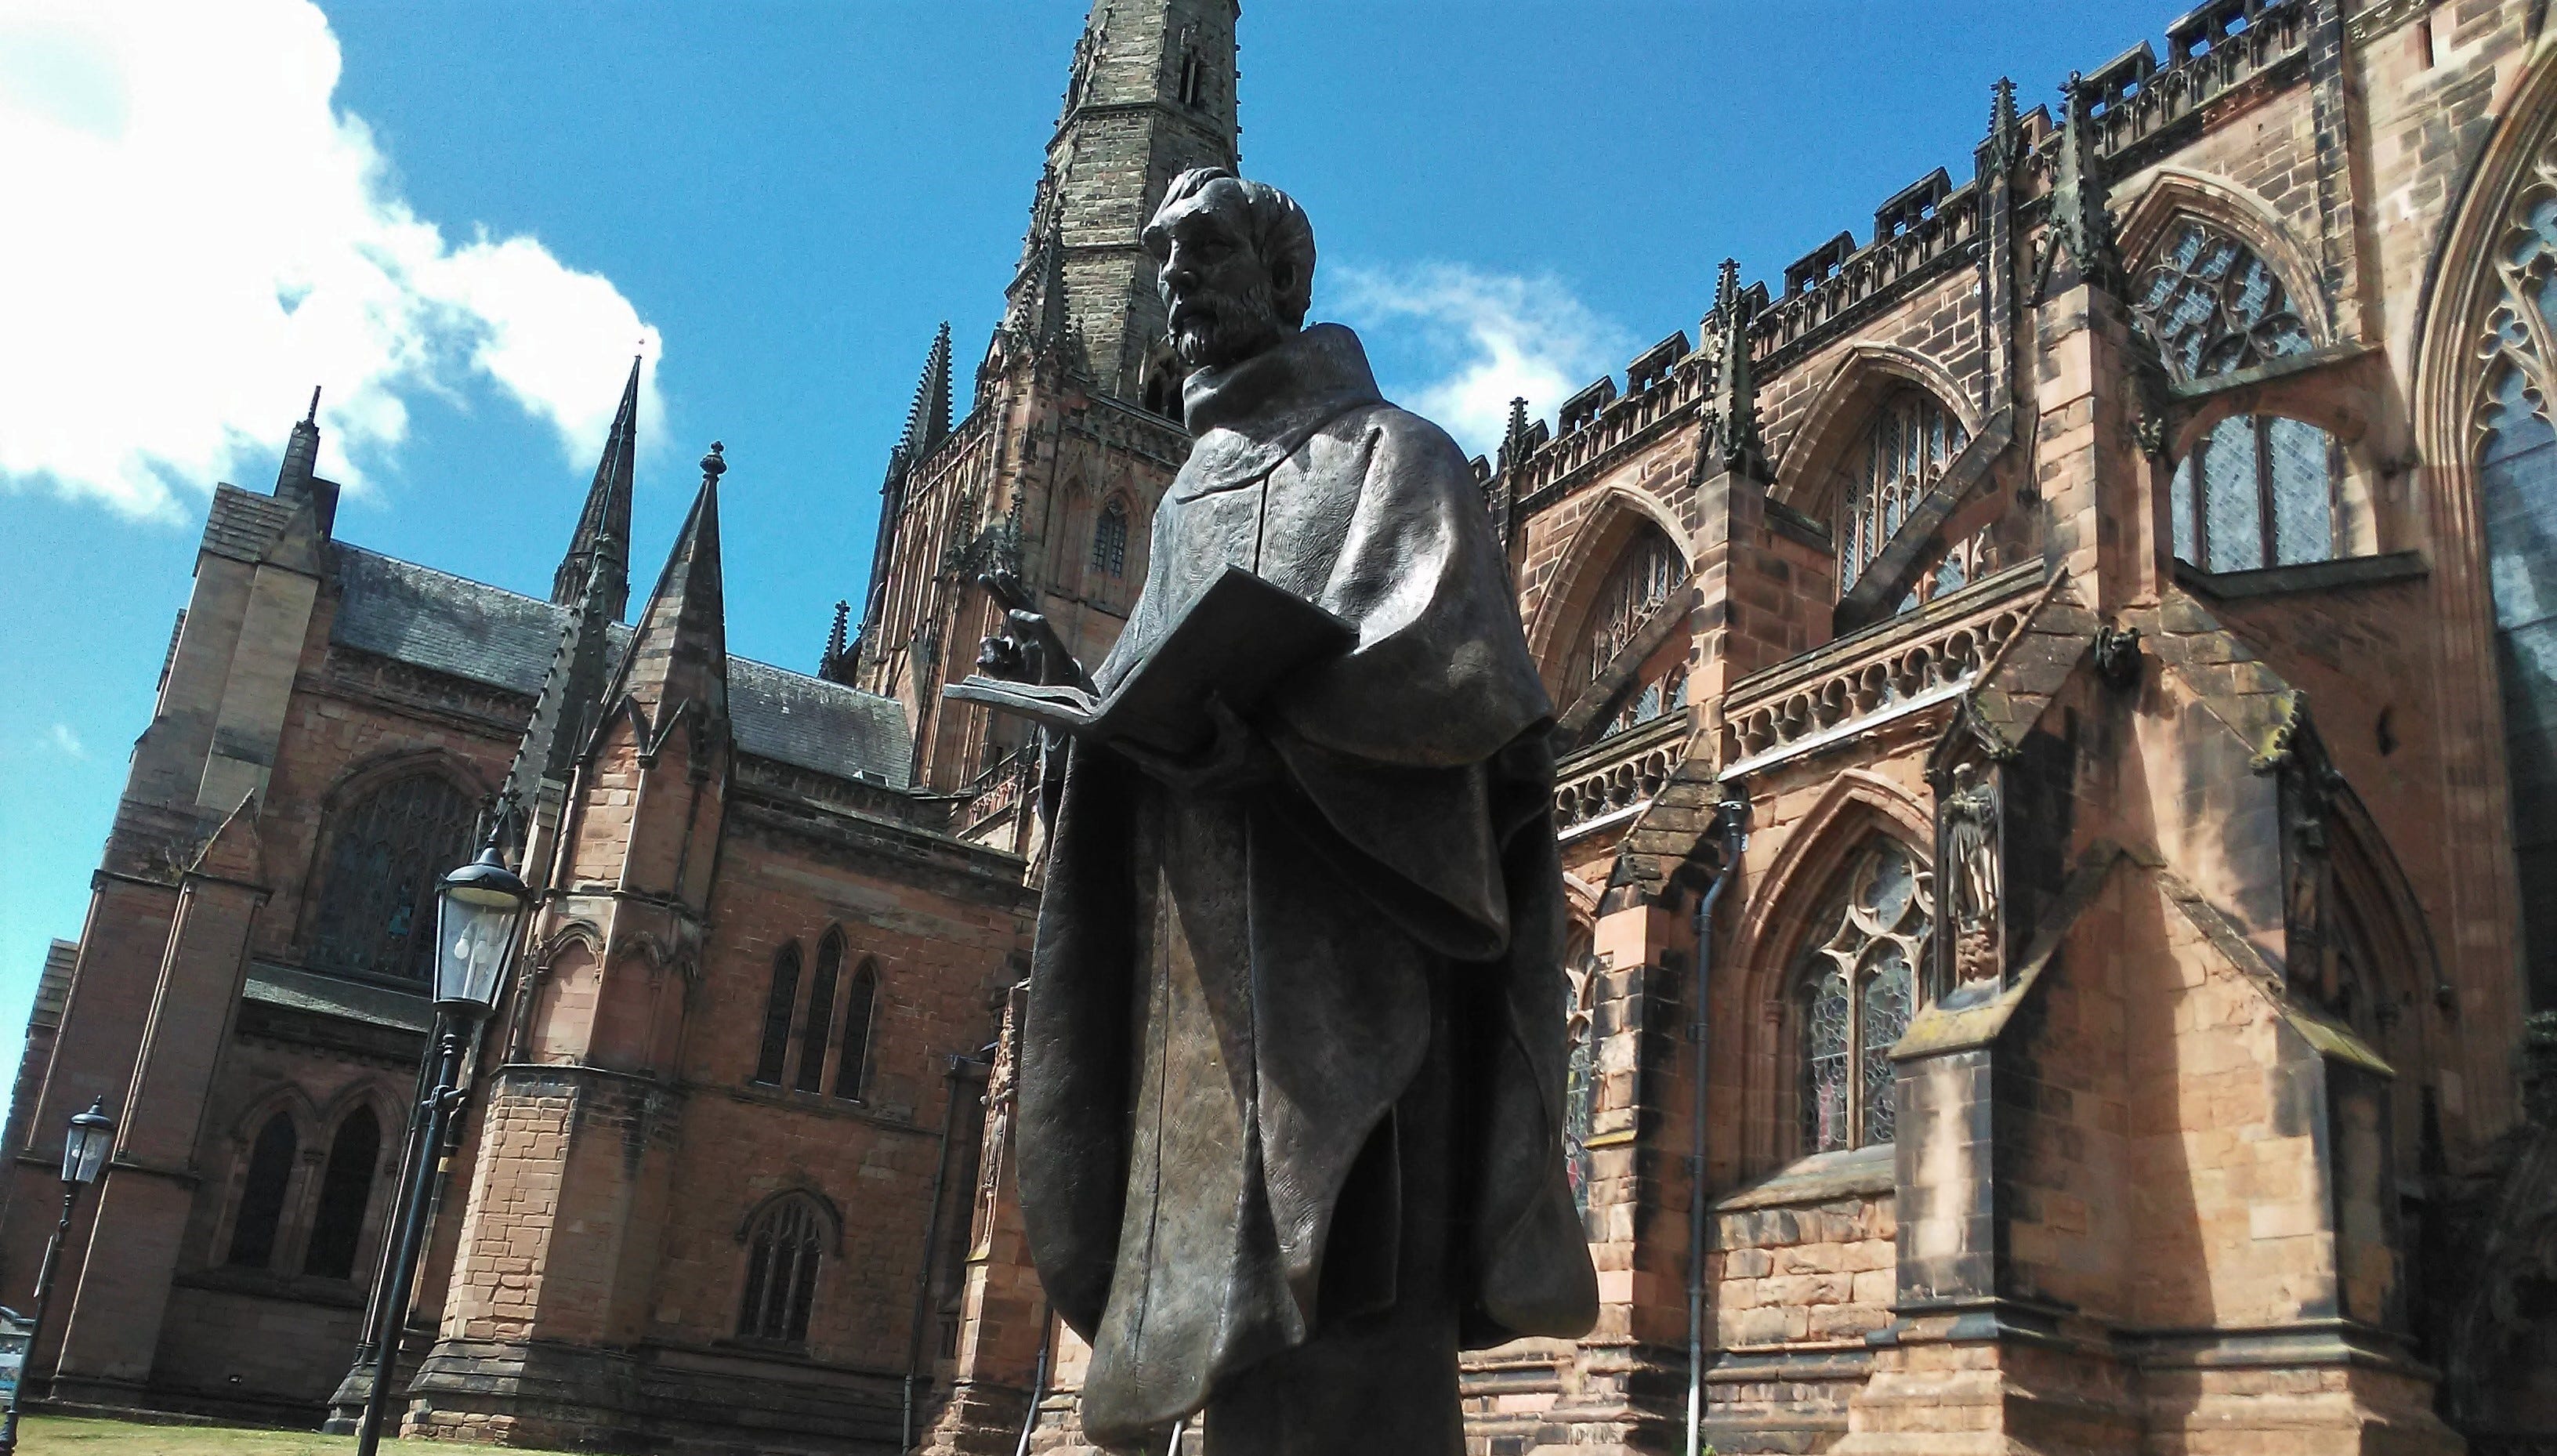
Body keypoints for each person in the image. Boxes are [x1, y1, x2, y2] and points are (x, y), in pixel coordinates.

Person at [976, 168, 1595, 1454]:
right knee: (1246, 1378)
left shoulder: (1399, 457)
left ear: (1283, 277)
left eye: (1203, 250)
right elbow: (1156, 726)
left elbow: (1464, 680)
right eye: (1159, 261)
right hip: (1206, 1015)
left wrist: (1265, 740)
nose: (1177, 285)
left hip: (1358, 993)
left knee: (1359, 1361)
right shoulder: (1187, 500)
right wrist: (1095, 716)